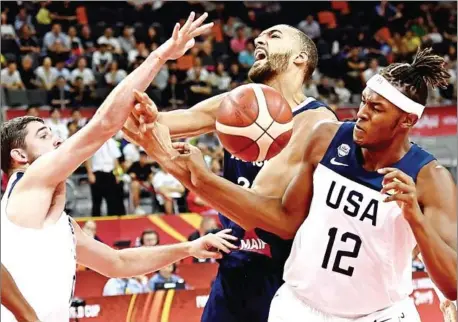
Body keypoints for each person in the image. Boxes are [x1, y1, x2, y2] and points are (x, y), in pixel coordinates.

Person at [131, 48, 457, 321]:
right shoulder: (327, 138)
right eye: (362, 101)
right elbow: (285, 221)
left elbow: (453, 283)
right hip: (301, 308)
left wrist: (415, 217)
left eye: (376, 108)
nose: (361, 113)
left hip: (380, 314)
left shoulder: (430, 178)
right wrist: (200, 176)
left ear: (407, 121)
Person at [0, 12, 237, 322]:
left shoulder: (63, 224)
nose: (57, 140)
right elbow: (103, 125)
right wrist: (160, 55)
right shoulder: (29, 180)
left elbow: (118, 263)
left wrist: (189, 248)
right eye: (44, 136)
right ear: (19, 155)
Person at [123, 24, 337, 322]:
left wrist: (191, 170)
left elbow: (261, 208)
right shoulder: (238, 101)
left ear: (300, 58)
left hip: (286, 272)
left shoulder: (316, 121)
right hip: (236, 265)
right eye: (260, 36)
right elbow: (148, 123)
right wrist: (144, 116)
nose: (259, 39)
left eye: (274, 35)